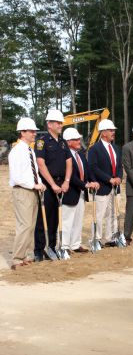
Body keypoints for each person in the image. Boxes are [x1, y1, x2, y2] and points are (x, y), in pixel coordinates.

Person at [34, 109, 72, 261]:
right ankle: (38, 250)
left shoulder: (63, 142)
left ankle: (52, 246)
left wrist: (66, 181)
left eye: (61, 122)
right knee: (42, 218)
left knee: (56, 219)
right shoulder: (42, 141)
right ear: (49, 124)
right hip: (47, 185)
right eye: (57, 122)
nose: (60, 124)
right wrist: (52, 184)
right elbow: (41, 164)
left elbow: (69, 163)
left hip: (61, 184)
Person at [8, 118, 46, 270]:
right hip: (23, 191)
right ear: (22, 132)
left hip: (32, 190)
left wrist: (40, 182)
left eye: (35, 131)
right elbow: (17, 176)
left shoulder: (29, 150)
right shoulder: (17, 151)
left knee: (30, 225)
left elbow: (33, 171)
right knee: (24, 225)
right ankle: (17, 258)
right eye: (31, 131)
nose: (34, 133)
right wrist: (33, 185)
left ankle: (24, 255)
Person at [61, 127, 99, 253]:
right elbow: (71, 176)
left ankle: (75, 245)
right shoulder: (65, 156)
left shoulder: (80, 155)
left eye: (79, 139)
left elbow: (87, 170)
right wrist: (85, 185)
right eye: (76, 139)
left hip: (81, 192)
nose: (79, 141)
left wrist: (93, 181)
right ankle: (64, 246)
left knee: (78, 219)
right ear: (68, 142)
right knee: (67, 220)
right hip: (70, 192)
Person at [87, 119, 123, 247]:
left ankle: (109, 238)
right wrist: (109, 179)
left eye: (113, 130)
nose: (113, 132)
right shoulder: (94, 149)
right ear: (103, 133)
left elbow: (119, 166)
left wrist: (119, 177)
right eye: (111, 130)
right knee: (99, 215)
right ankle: (95, 239)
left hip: (115, 187)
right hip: (102, 188)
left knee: (112, 214)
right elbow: (93, 168)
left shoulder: (116, 148)